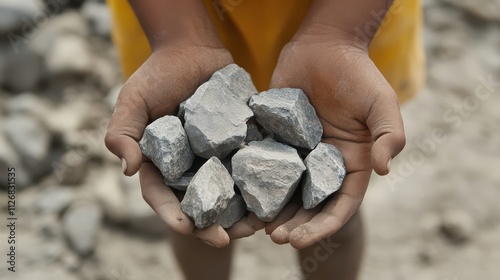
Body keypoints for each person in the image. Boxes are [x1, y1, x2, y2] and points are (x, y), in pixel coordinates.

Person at [104, 0, 425, 279]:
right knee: (195, 224)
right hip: (170, 14)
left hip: (347, 13)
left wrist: (342, 33)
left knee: (335, 225)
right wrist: (177, 36)